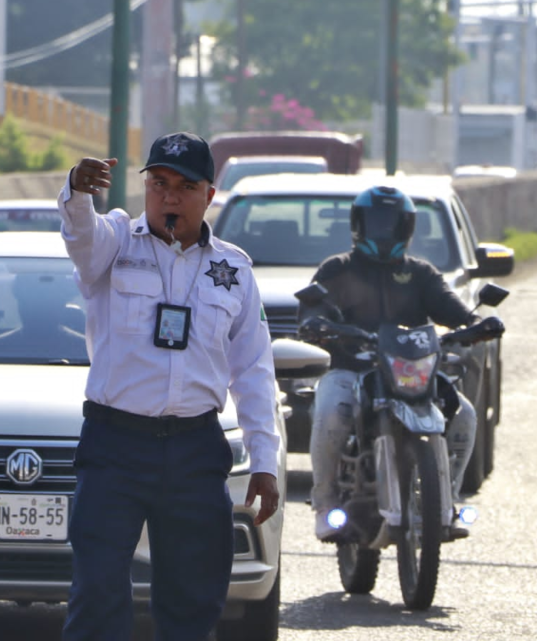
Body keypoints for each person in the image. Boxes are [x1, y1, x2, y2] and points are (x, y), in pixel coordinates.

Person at [57, 131, 282, 641]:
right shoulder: (114, 242)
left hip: (195, 450)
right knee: (97, 596)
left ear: (210, 194)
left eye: (185, 186)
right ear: (145, 187)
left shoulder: (233, 271)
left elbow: (253, 371)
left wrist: (264, 462)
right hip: (115, 447)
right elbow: (80, 238)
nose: (169, 197)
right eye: (158, 183)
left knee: (193, 601)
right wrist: (76, 191)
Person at [297, 185, 500, 542]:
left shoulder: (421, 273)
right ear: (358, 224)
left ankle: (446, 497)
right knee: (331, 411)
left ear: (407, 228)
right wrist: (317, 323)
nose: (383, 231)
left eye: (392, 223)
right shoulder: (337, 268)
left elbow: (453, 310)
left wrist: (473, 324)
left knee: (464, 414)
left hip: (410, 371)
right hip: (351, 369)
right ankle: (325, 503)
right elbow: (314, 306)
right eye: (376, 223)